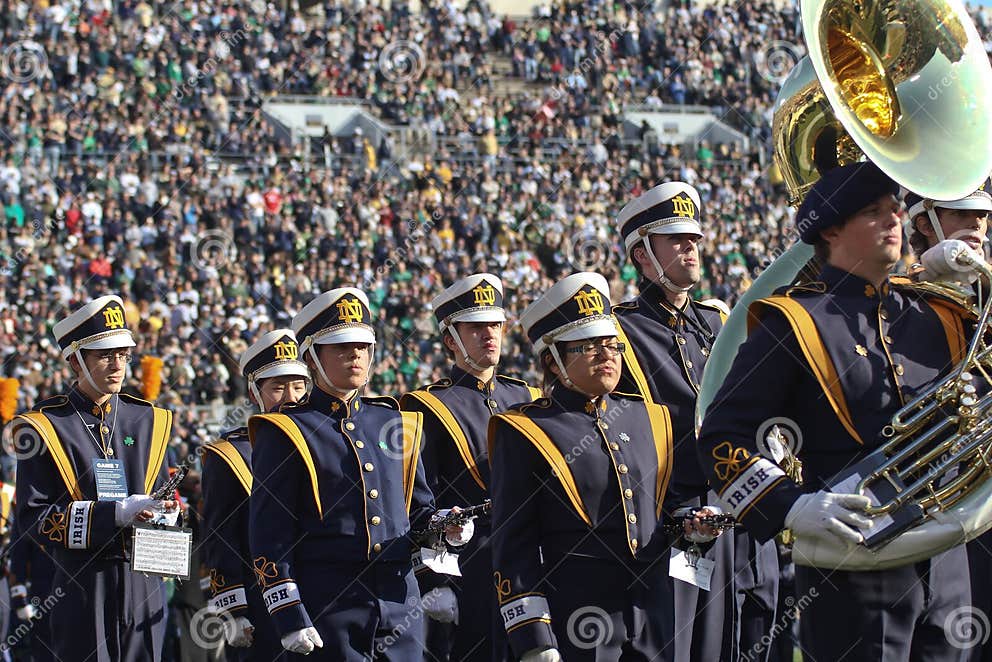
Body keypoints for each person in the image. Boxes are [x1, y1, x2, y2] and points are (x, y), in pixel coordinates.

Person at [697, 161, 975, 661]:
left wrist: (975, 285)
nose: (895, 219)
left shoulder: (935, 312)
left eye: (895, 208)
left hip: (949, 561)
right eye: (874, 212)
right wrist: (790, 506)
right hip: (856, 568)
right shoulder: (796, 322)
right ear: (831, 230)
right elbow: (719, 437)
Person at [489, 272, 718, 662]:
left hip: (656, 612)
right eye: (590, 346)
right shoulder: (523, 429)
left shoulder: (652, 418)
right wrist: (534, 639)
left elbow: (664, 510)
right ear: (553, 360)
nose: (608, 355)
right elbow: (514, 546)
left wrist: (692, 525)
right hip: (577, 616)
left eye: (612, 345)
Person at [248, 287, 471, 660]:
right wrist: (289, 615)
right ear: (312, 357)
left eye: (363, 347)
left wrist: (444, 524)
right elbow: (270, 535)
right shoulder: (285, 431)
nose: (355, 355)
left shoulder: (393, 421)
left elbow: (416, 513)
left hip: (400, 604)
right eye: (340, 347)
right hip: (328, 610)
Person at [614, 181, 778, 661]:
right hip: (672, 520)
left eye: (694, 239)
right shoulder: (622, 332)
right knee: (676, 648)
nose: (691, 247)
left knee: (743, 641)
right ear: (643, 254)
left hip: (736, 511)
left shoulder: (718, 320)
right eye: (676, 239)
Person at [13, 294, 178, 662]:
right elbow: (34, 519)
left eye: (123, 354)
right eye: (105, 355)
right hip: (82, 584)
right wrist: (113, 514)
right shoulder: (46, 427)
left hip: (145, 581)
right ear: (75, 360)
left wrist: (168, 517)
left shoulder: (149, 420)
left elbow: (168, 499)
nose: (117, 365)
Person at [401, 273, 540, 662]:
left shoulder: (526, 396)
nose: (489, 334)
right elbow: (416, 502)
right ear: (450, 340)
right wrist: (433, 579)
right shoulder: (424, 406)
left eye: (495, 324)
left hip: (532, 559)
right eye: (476, 327)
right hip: (471, 568)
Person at [904, 180, 992, 662]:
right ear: (924, 222)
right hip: (943, 508)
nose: (979, 223)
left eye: (982, 214)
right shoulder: (901, 302)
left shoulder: (988, 295)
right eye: (964, 213)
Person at [200, 329, 309, 661]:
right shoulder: (230, 453)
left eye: (299, 385)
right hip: (261, 600)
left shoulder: (320, 437)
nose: (290, 396)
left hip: (320, 591)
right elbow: (220, 537)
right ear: (254, 391)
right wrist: (232, 610)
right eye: (278, 387)